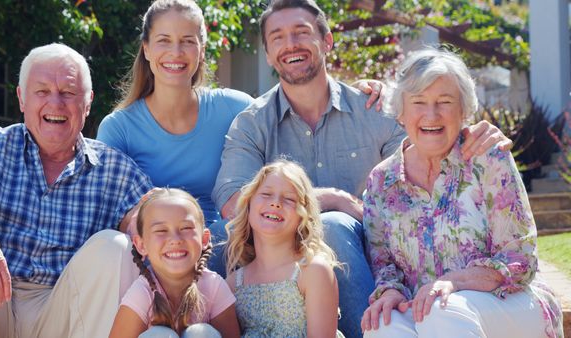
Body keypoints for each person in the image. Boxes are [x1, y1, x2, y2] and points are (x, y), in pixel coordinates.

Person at [211, 0, 512, 336]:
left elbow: (427, 153)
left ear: (327, 42)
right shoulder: (253, 123)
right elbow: (232, 203)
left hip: (370, 245)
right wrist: (331, 198)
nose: (290, 44)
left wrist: (471, 131)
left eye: (301, 32)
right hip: (278, 251)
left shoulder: (375, 108)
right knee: (220, 238)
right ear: (268, 53)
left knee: (335, 226)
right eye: (277, 37)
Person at [0, 43, 152, 338]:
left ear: (87, 103)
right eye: (42, 91)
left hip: (64, 314)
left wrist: (149, 229)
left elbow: (156, 219)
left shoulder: (115, 169)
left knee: (117, 246)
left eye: (68, 93)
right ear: (22, 98)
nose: (56, 104)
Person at [97, 0, 383, 227]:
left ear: (201, 50)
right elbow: (112, 215)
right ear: (146, 49)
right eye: (163, 40)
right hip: (160, 248)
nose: (176, 51)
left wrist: (353, 93)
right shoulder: (119, 128)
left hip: (231, 242)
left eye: (187, 40)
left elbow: (292, 102)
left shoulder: (235, 108)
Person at [361, 47, 563, 338]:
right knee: (383, 327)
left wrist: (456, 281)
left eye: (445, 101)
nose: (432, 114)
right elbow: (384, 265)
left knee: (444, 309)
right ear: (401, 113)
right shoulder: (382, 181)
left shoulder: (487, 158)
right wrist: (390, 290)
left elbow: (520, 259)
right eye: (419, 102)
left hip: (509, 302)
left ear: (463, 111)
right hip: (426, 309)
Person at [225, 159, 343, 337]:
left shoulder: (312, 272)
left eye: (289, 199)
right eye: (266, 194)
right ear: (249, 204)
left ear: (303, 215)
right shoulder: (234, 283)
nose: (276, 203)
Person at [109, 188, 239, 338]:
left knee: (201, 333)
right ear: (141, 245)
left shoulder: (214, 286)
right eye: (161, 230)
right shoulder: (142, 293)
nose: (175, 239)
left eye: (185, 228)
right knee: (159, 335)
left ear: (204, 240)